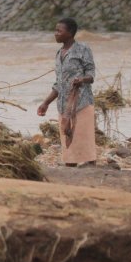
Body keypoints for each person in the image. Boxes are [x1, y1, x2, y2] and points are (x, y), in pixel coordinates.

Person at [37, 17, 97, 167]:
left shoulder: (83, 49)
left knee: (85, 141)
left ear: (70, 33)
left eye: (59, 31)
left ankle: (91, 167)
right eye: (55, 30)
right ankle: (71, 166)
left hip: (82, 102)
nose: (55, 33)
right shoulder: (59, 54)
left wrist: (81, 80)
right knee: (68, 143)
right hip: (64, 106)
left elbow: (91, 75)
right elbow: (59, 84)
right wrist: (46, 103)